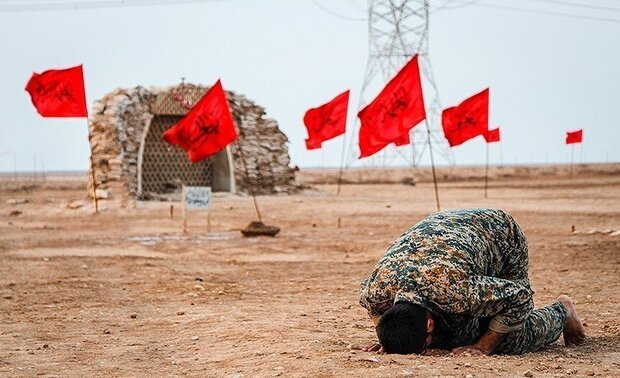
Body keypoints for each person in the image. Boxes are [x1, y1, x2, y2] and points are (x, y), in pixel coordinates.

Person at [359, 208, 586, 355]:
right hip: (446, 229)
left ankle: (562, 311)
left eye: (424, 344)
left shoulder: (456, 292)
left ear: (429, 323)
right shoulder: (376, 292)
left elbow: (520, 296)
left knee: (513, 337)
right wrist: (391, 339)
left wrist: (483, 346)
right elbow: (376, 309)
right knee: (454, 335)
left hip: (500, 235)